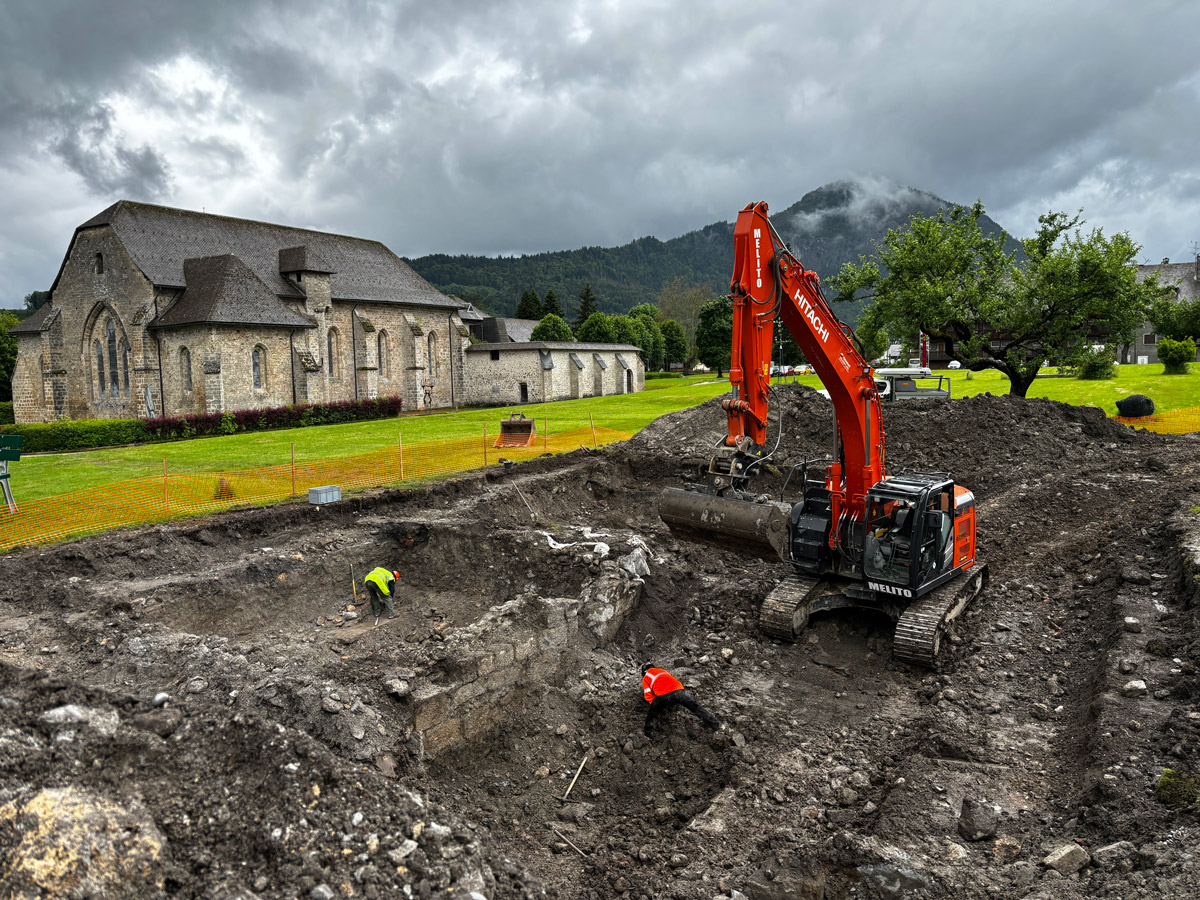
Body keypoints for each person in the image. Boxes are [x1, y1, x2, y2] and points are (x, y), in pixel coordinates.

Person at [641, 663, 721, 737]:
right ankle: (716, 724)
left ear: (644, 671)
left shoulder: (646, 677)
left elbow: (648, 695)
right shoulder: (662, 671)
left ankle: (648, 733)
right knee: (695, 707)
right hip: (679, 690)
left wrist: (654, 706)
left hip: (664, 694)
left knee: (653, 710)